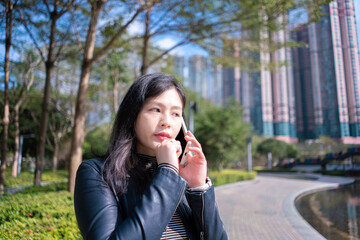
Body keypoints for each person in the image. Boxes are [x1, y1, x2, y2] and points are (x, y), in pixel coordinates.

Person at [74, 73, 228, 240]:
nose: (166, 122)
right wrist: (168, 173)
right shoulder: (97, 173)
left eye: (176, 114)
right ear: (133, 115)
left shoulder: (181, 176)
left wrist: (198, 188)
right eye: (156, 109)